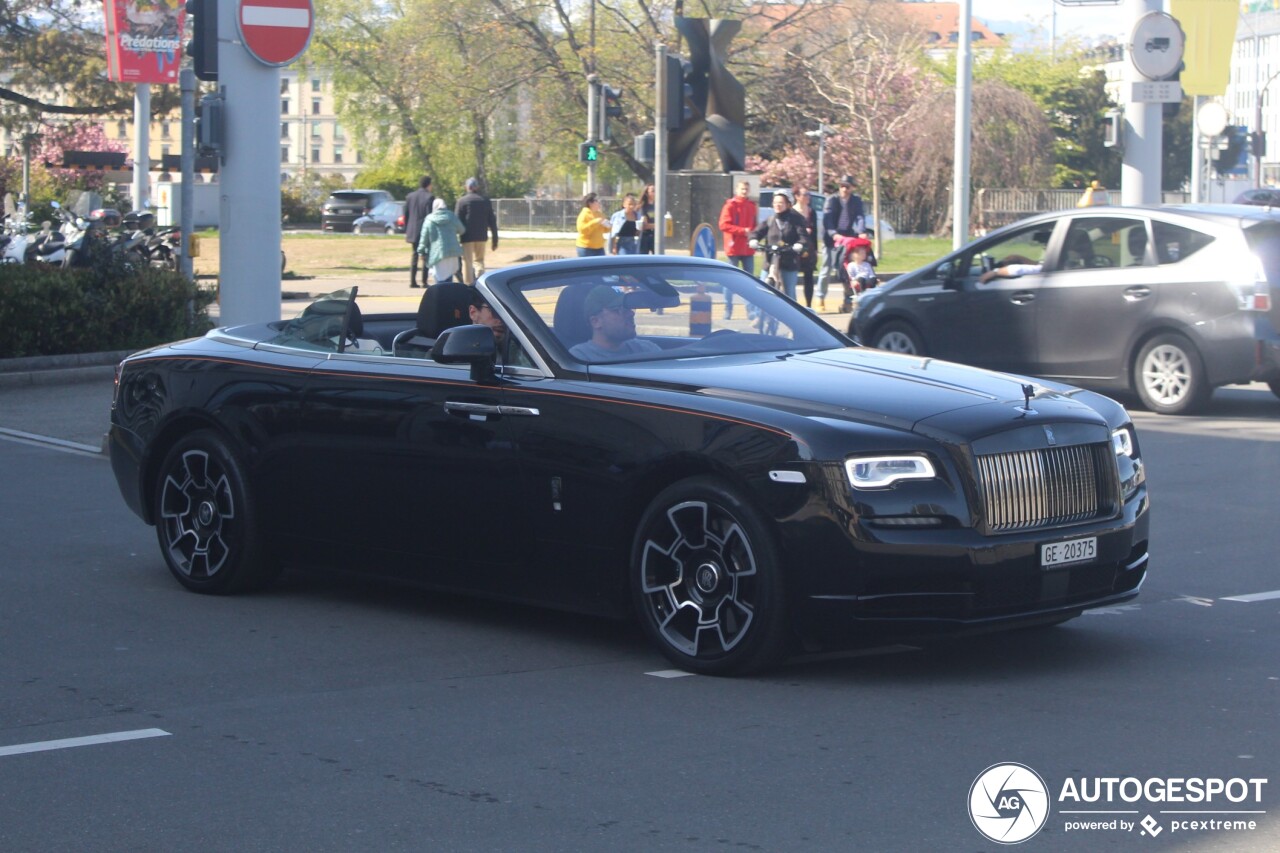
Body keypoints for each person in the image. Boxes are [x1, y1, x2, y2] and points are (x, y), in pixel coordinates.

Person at [569, 285, 662, 361]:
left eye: (628, 308)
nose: (631, 313)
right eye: (619, 310)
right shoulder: (579, 358)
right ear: (596, 322)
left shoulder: (647, 349)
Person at [749, 190, 808, 301]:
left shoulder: (796, 220)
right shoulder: (770, 220)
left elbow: (803, 237)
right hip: (770, 260)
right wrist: (753, 240)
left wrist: (800, 244)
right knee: (762, 289)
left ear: (788, 204)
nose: (777, 205)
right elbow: (757, 232)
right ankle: (759, 316)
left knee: (789, 293)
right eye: (775, 202)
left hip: (789, 261)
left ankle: (792, 317)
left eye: (781, 203)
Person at [820, 175, 865, 311]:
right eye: (842, 186)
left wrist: (861, 231)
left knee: (848, 270)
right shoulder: (832, 200)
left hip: (848, 238)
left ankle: (848, 300)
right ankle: (820, 298)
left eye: (847, 186)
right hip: (832, 238)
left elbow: (860, 217)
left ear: (852, 188)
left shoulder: (856, 201)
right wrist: (834, 234)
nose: (844, 189)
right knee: (826, 268)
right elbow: (827, 219)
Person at [717, 180, 757, 318]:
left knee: (749, 281)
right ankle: (728, 308)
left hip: (748, 248)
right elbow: (723, 225)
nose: (744, 191)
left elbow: (754, 225)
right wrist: (742, 231)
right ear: (737, 190)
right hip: (734, 248)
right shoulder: (730, 205)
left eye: (746, 189)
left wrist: (753, 234)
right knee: (730, 281)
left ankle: (750, 309)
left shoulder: (752, 206)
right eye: (742, 189)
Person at [467, 289, 532, 366]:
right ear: (473, 313)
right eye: (495, 311)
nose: (501, 319)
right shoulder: (461, 351)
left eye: (507, 313)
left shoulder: (521, 345)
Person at [455, 177, 498, 284]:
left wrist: (456, 237)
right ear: (477, 187)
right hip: (481, 236)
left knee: (467, 262)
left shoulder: (462, 201)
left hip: (466, 237)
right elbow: (492, 221)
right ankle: (480, 283)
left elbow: (456, 221)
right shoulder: (485, 201)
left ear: (467, 187)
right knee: (479, 260)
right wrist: (495, 240)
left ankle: (468, 285)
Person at [417, 198, 465, 284]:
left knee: (439, 279)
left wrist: (421, 251)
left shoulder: (429, 219)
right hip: (452, 252)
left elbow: (424, 237)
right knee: (449, 276)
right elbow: (462, 230)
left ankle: (441, 295)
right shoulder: (451, 216)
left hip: (437, 253)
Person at [403, 176, 434, 288]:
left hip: (412, 229)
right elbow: (429, 215)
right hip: (423, 229)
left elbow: (406, 214)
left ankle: (412, 281)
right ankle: (424, 281)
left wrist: (407, 229)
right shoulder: (429, 197)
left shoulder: (410, 196)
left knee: (415, 255)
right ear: (428, 185)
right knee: (425, 255)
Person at [793, 186, 820, 307]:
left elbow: (815, 232)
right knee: (792, 276)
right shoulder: (791, 211)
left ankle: (808, 305)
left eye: (808, 194)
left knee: (809, 277)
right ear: (797, 196)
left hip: (808, 248)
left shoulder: (811, 211)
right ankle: (792, 303)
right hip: (795, 247)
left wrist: (816, 250)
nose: (807, 197)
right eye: (804, 194)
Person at [638, 184, 656, 254]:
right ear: (647, 193)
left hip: (655, 235)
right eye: (653, 191)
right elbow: (644, 225)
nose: (655, 193)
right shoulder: (643, 207)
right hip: (645, 236)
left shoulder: (657, 205)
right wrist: (657, 225)